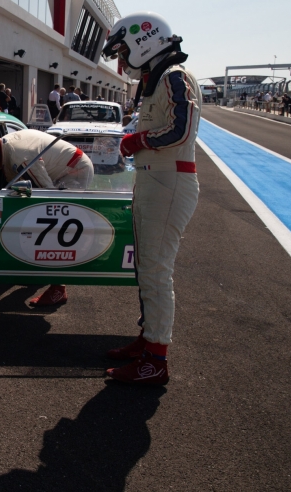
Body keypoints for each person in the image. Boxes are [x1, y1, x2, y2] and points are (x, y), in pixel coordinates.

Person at [101, 11, 201, 385]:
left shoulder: (175, 76)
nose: (122, 59)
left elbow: (180, 128)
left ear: (145, 40)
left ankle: (156, 359)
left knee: (157, 273)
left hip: (168, 183)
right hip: (155, 182)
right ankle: (149, 340)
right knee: (147, 269)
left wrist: (137, 140)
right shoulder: (160, 77)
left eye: (124, 49)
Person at [0, 129, 95, 306]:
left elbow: (46, 194)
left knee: (53, 223)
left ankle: (58, 288)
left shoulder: (21, 157)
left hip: (75, 170)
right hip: (62, 166)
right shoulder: (6, 142)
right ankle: (41, 273)